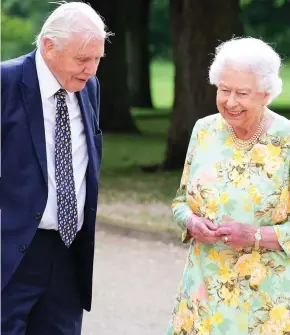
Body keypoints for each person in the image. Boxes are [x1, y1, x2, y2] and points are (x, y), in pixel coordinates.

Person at [167, 37, 290, 335]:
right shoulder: (204, 130)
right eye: (224, 90)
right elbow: (180, 202)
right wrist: (192, 223)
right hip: (201, 297)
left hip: (264, 304)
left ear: (265, 93)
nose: (230, 102)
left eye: (242, 93)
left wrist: (254, 236)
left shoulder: (286, 141)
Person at [1, 2, 110, 334]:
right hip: (10, 253)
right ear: (49, 46)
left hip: (67, 252)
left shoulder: (88, 88)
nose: (90, 69)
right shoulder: (5, 83)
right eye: (82, 59)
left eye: (97, 59)